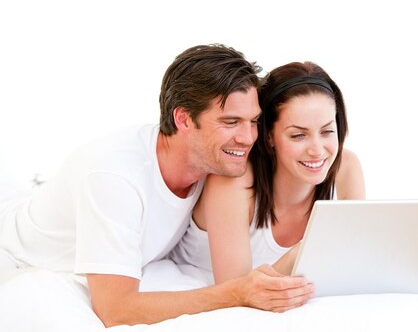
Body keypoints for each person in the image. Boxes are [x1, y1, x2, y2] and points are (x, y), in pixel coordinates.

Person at [0, 44, 314, 326]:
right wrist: (234, 294)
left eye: (254, 121)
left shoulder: (217, 158)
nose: (248, 138)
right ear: (184, 119)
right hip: (15, 254)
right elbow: (115, 310)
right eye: (230, 122)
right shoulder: (116, 177)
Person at [171, 61, 365, 286]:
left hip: (283, 301)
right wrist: (305, 249)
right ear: (270, 136)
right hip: (196, 289)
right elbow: (238, 291)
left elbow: (355, 259)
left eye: (327, 131)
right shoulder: (234, 181)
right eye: (298, 135)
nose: (317, 150)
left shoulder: (346, 166)